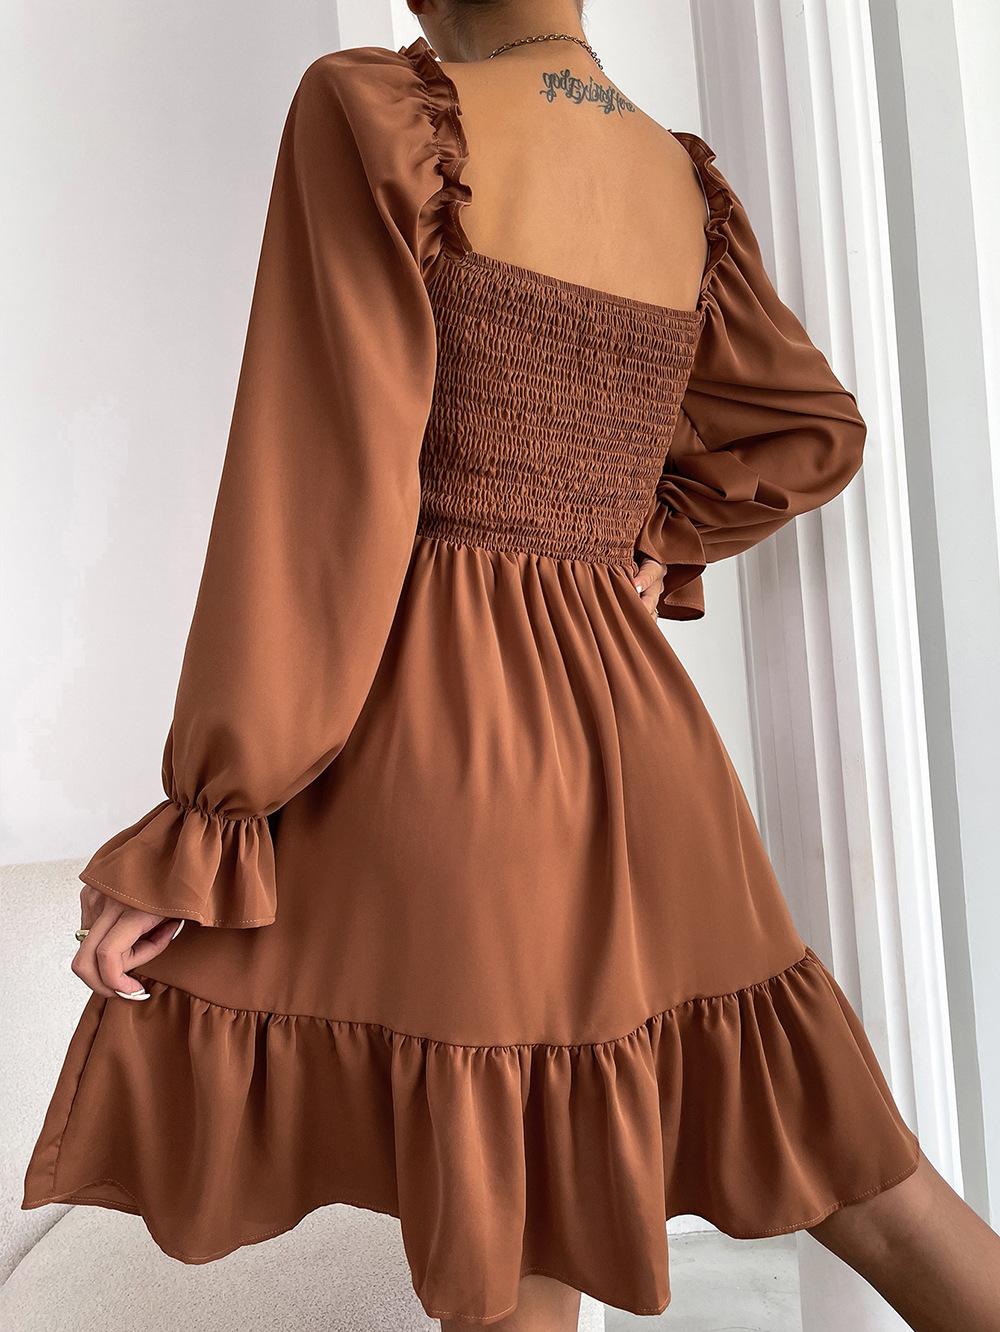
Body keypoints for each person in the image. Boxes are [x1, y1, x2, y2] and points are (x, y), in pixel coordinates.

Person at [22, 1, 1000, 1328]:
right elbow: (810, 426)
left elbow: (321, 498)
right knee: (860, 1172)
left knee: (506, 1219)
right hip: (645, 749)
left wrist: (211, 816)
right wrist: (650, 531)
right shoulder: (681, 183)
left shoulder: (378, 116)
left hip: (453, 743)